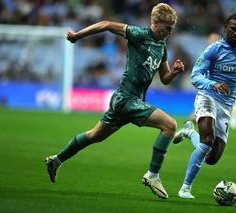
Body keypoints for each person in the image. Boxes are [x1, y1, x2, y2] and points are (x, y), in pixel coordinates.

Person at [45, 3, 184, 200]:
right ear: (155, 22)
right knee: (170, 125)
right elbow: (106, 24)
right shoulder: (139, 34)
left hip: (129, 101)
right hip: (126, 99)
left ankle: (56, 160)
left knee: (94, 136)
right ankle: (152, 175)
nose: (169, 33)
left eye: (171, 30)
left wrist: (175, 73)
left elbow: (164, 78)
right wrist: (77, 36)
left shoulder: (162, 47)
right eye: (167, 28)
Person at [173, 14, 236, 199]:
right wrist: (213, 84)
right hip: (208, 97)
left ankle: (189, 132)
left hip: (226, 106)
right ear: (225, 28)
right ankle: (185, 188)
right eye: (233, 28)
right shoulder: (213, 49)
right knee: (207, 140)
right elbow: (195, 76)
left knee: (211, 158)